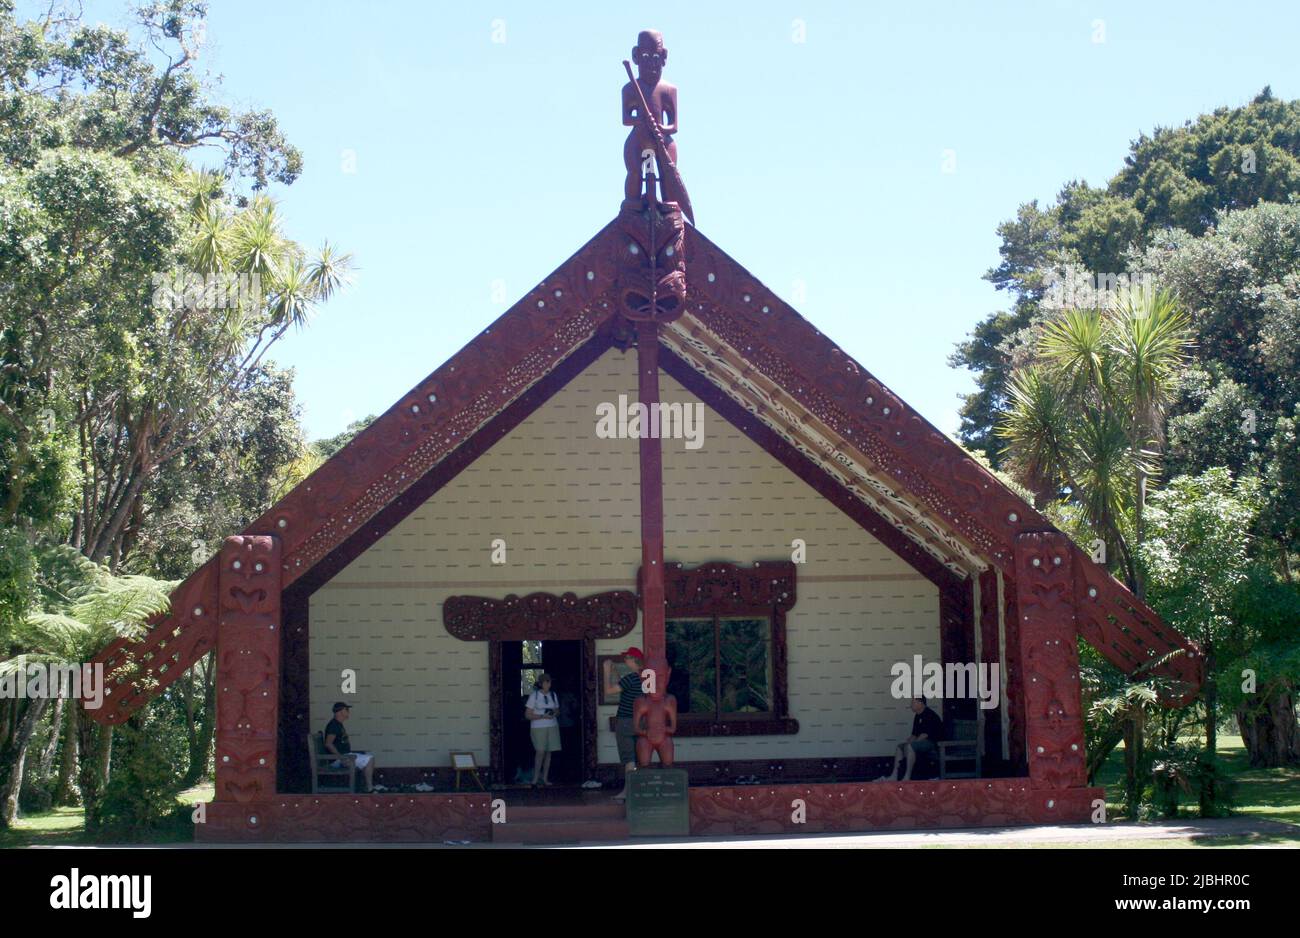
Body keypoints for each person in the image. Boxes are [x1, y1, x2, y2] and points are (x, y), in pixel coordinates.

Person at [603, 646, 645, 802]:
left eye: (627, 658)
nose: (625, 660)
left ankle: (628, 792)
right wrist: (616, 674)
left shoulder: (630, 678)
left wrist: (606, 671)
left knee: (629, 759)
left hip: (626, 721)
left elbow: (608, 691)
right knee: (639, 757)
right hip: (642, 723)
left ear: (634, 660)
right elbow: (628, 688)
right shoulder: (646, 678)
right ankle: (637, 790)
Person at [875, 698, 943, 782]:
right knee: (900, 747)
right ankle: (894, 776)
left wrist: (910, 745)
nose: (911, 705)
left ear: (920, 703)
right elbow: (914, 734)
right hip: (921, 742)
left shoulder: (930, 715)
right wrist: (908, 742)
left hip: (932, 743)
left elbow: (924, 735)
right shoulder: (918, 716)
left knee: (910, 746)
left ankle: (907, 777)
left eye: (913, 702)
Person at [323, 702, 375, 793]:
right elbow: (328, 744)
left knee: (368, 756)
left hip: (345, 756)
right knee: (369, 759)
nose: (348, 712)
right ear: (339, 712)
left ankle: (364, 788)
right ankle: (369, 789)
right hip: (338, 759)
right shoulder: (333, 725)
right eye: (346, 710)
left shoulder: (338, 724)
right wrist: (341, 757)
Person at [525, 673, 562, 787]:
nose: (548, 684)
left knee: (548, 752)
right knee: (540, 751)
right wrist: (542, 716)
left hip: (552, 725)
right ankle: (535, 779)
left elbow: (557, 710)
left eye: (549, 682)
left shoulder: (553, 695)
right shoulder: (534, 696)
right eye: (546, 682)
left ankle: (545, 778)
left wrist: (554, 713)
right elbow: (527, 714)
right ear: (541, 684)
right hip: (538, 727)